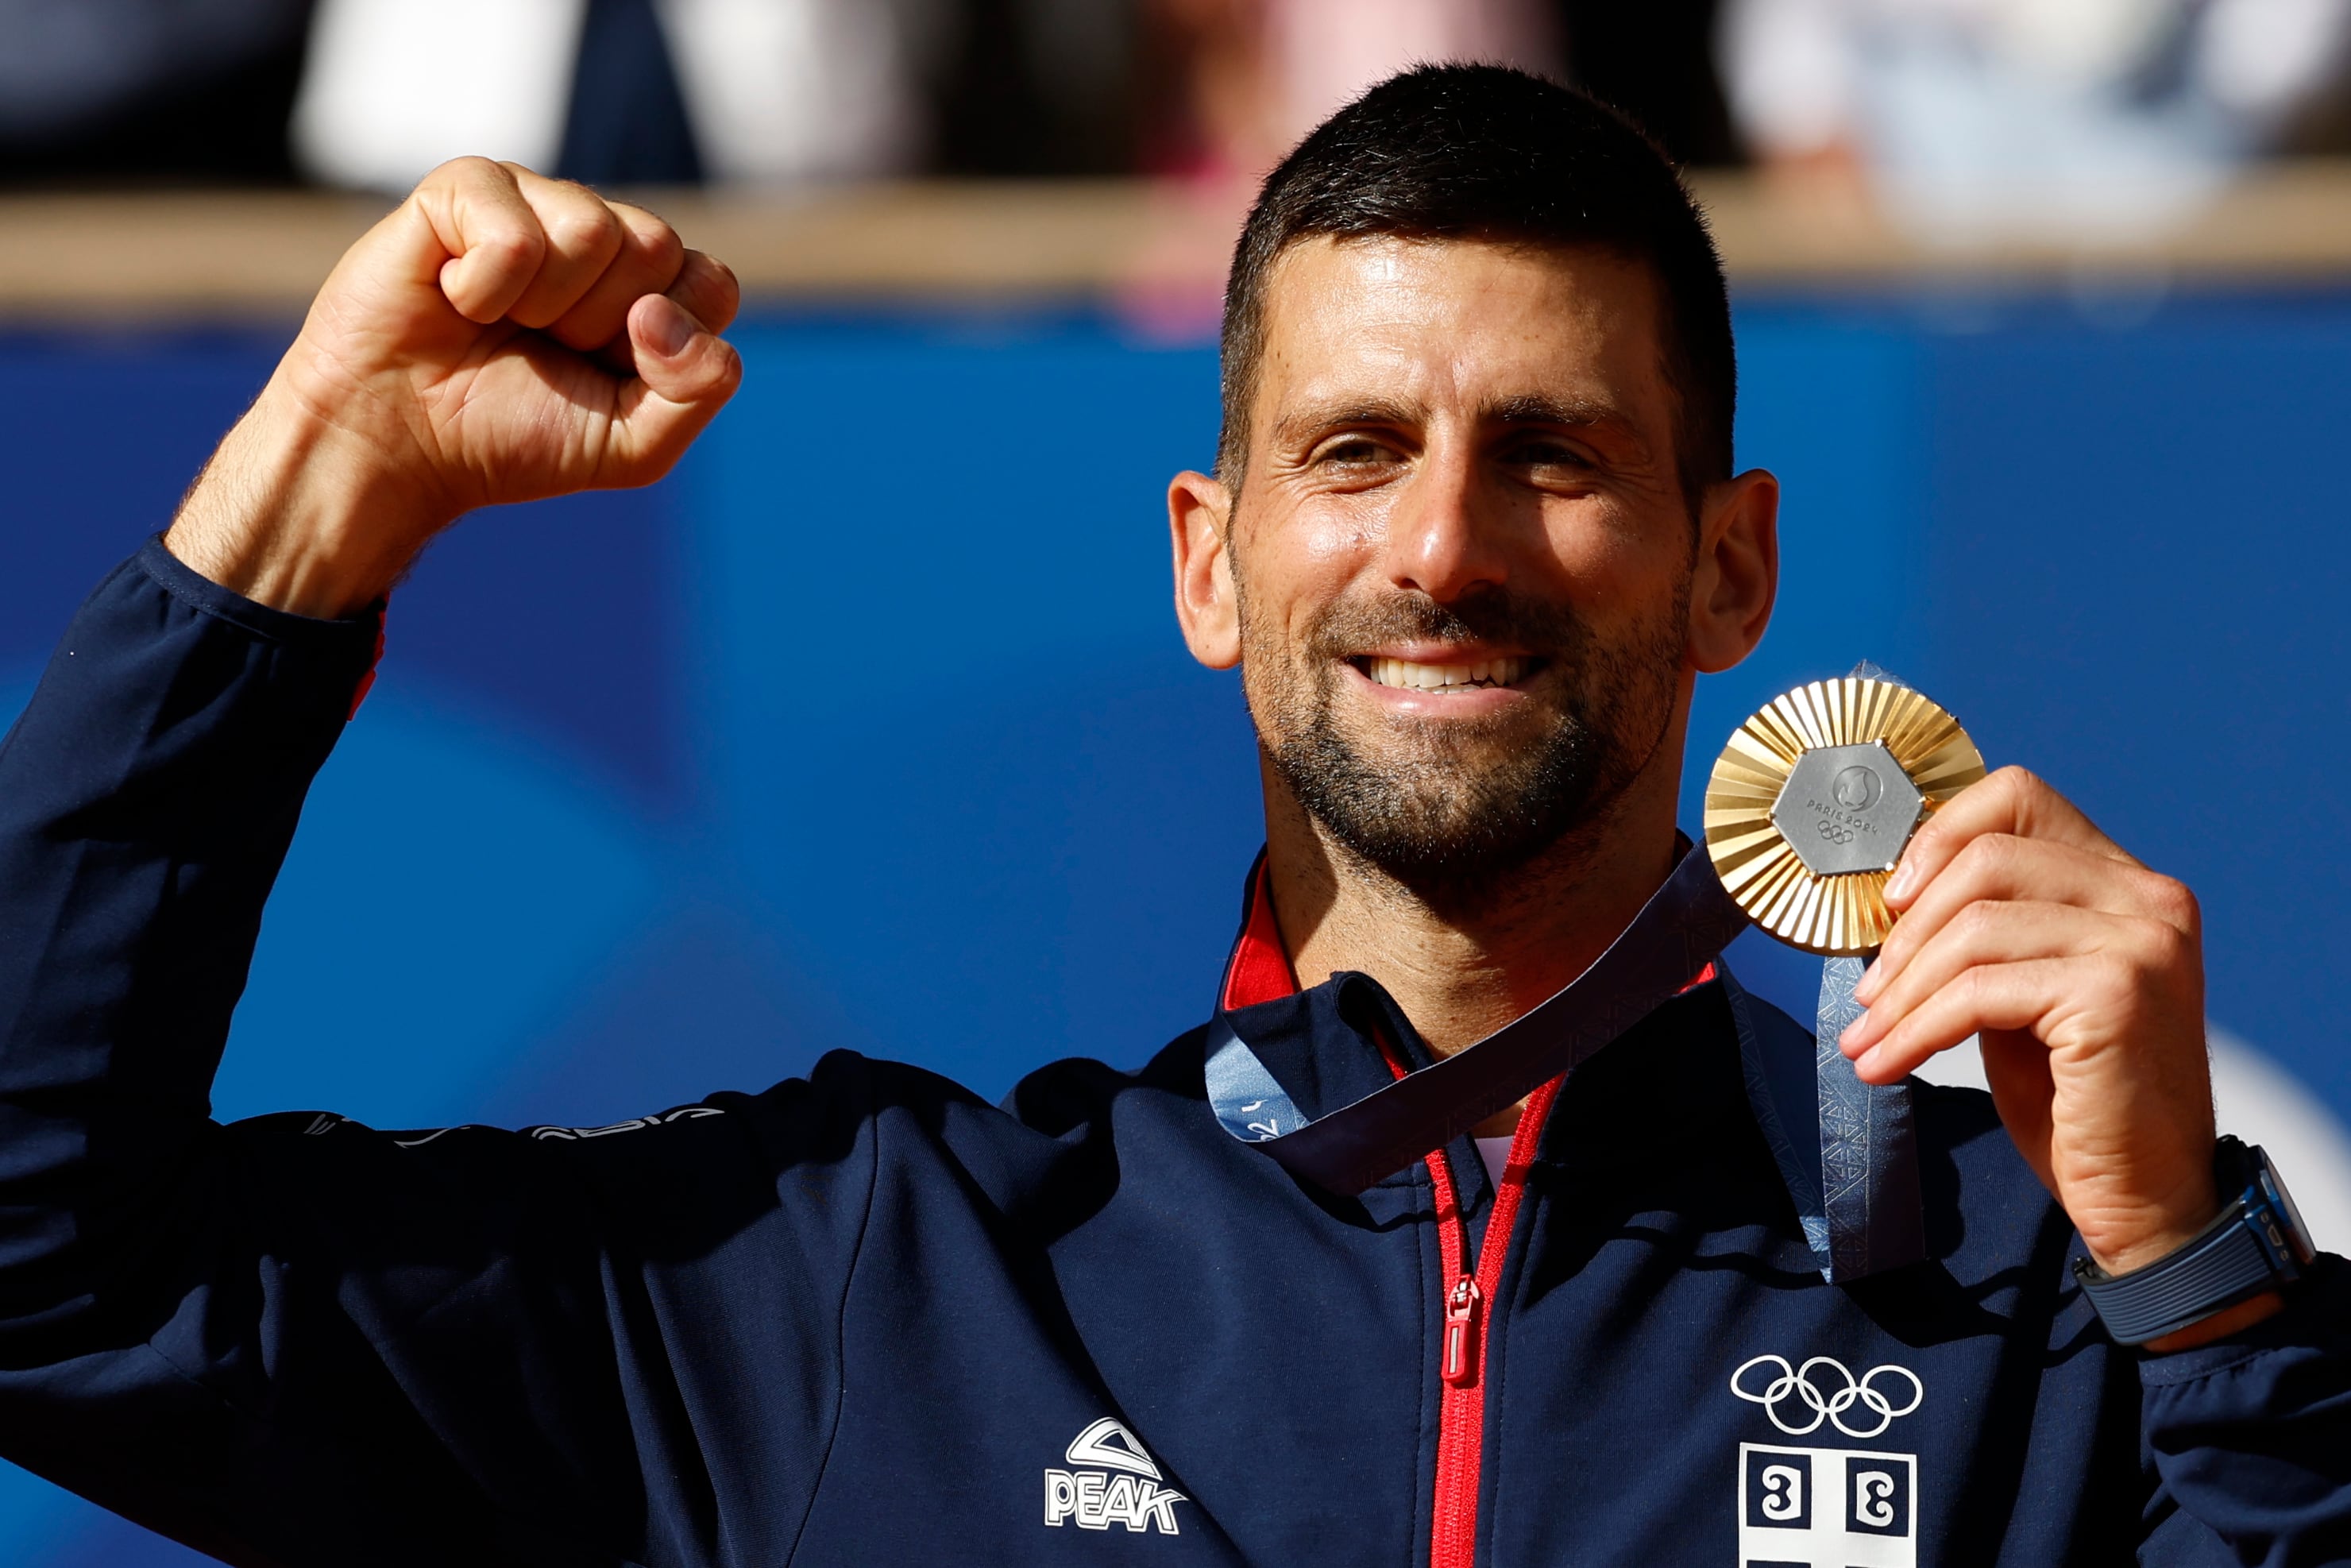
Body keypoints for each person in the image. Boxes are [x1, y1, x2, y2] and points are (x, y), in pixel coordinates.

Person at [0, 64, 2344, 1567]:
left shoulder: (2025, 1324)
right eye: (1353, 453)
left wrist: (2192, 1276)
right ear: (1209, 567)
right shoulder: (861, 1286)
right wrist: (306, 509)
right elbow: (42, 1263)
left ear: (1730, 562)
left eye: (1551, 452)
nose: (1444, 547)